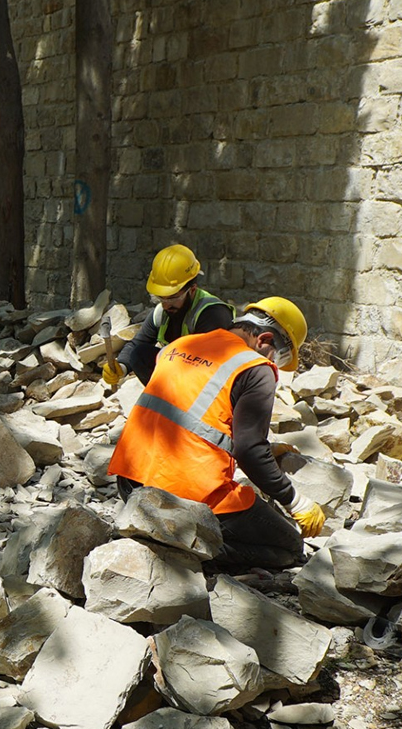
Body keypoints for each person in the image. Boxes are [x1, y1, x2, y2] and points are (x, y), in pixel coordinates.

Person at [107, 297, 325, 569]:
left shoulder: (180, 345)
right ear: (265, 340)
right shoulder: (255, 369)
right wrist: (295, 501)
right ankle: (183, 548)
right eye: (275, 357)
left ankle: (158, 532)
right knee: (291, 547)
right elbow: (250, 450)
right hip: (185, 496)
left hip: (130, 483)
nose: (272, 364)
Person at [104, 244, 234, 386]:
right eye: (161, 298)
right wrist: (121, 367)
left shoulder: (213, 314)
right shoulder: (162, 312)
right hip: (180, 377)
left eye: (172, 298)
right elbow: (137, 344)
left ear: (192, 290)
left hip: (208, 382)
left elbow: (209, 366)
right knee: (139, 355)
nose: (166, 305)